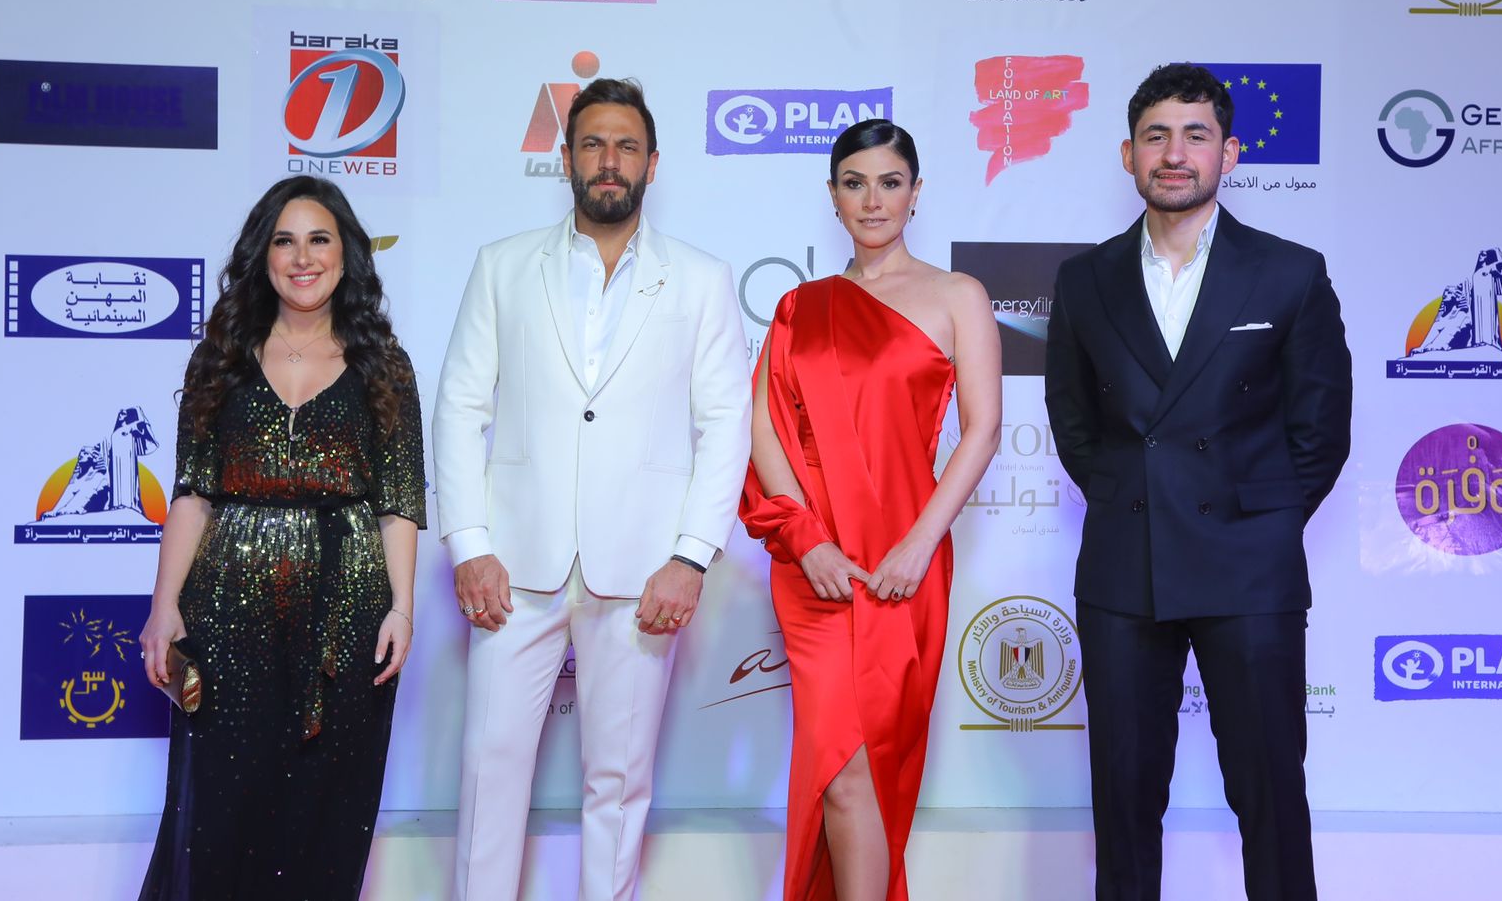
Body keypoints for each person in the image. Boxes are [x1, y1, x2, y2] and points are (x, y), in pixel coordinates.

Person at [433, 78, 751, 901]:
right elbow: (460, 406)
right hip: (512, 567)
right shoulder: (502, 266)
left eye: (626, 146)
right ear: (567, 157)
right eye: (594, 144)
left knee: (620, 780)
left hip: (645, 571)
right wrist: (469, 545)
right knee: (489, 773)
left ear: (653, 163)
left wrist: (690, 558)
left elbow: (726, 425)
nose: (610, 161)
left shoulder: (701, 278)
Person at [1044, 63, 1352, 901]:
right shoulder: (1084, 279)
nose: (1174, 154)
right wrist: (1127, 502)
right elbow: (1074, 423)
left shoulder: (1289, 272)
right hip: (1124, 567)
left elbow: (1320, 433)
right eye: (1156, 136)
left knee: (1270, 796)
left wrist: (1256, 522)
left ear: (1230, 152)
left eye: (1195, 135)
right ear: (1128, 154)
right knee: (1123, 802)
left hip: (1248, 569)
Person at [137, 176, 425, 900]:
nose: (303, 258)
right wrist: (163, 607)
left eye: (319, 239)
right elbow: (193, 494)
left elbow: (398, 505)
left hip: (347, 610)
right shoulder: (221, 358)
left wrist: (401, 607)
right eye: (284, 241)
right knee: (219, 805)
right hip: (227, 609)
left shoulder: (384, 366)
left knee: (326, 804)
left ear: (346, 253)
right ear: (261, 256)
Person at [741, 119, 1001, 901]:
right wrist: (807, 541)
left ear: (916, 194)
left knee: (874, 765)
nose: (873, 200)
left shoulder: (957, 296)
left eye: (890, 183)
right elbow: (765, 429)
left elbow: (983, 430)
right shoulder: (799, 306)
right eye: (855, 184)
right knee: (840, 771)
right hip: (816, 566)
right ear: (833, 197)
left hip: (901, 562)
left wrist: (920, 545)